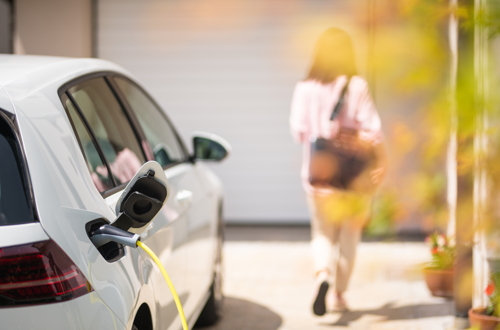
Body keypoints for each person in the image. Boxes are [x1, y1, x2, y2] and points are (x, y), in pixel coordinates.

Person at [289, 28, 386, 316]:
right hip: (353, 178)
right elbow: (374, 133)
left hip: (318, 175)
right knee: (348, 237)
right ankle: (339, 295)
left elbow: (298, 131)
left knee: (321, 233)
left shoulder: (304, 88)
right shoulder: (357, 86)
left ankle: (323, 276)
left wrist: (321, 130)